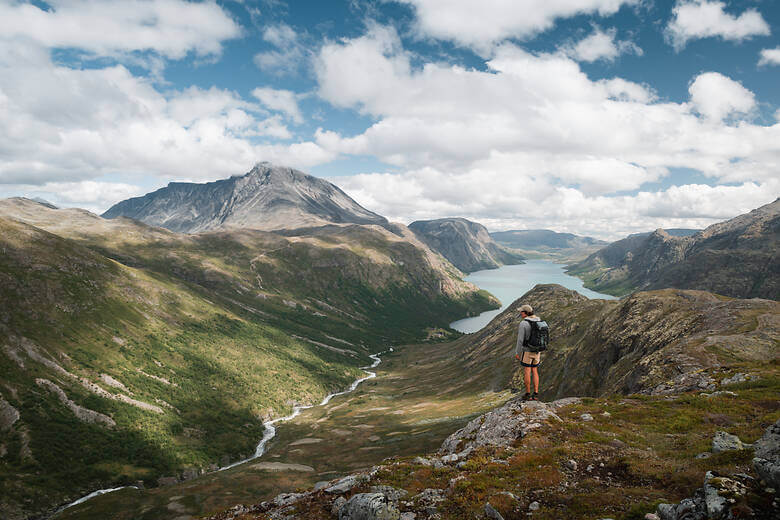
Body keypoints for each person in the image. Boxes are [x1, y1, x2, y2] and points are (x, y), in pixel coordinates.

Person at [514, 304, 541, 401]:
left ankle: (528, 394)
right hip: (537, 351)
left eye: (521, 312)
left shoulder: (523, 323)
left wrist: (518, 352)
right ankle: (536, 394)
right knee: (535, 371)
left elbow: (520, 340)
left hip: (527, 351)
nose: (520, 313)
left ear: (525, 313)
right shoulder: (538, 320)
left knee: (527, 371)